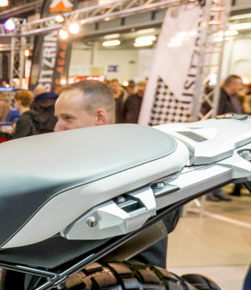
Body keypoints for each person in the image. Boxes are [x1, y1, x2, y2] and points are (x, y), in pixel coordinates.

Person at [54, 79, 168, 267]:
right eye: (58, 118)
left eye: (67, 118)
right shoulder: (72, 163)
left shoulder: (133, 171)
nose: (57, 127)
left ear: (99, 117)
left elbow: (147, 255)